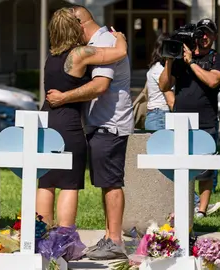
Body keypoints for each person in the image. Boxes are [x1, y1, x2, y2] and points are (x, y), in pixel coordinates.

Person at [46, 5, 133, 260]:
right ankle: (110, 238)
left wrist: (64, 97)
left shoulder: (104, 41)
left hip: (111, 122)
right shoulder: (96, 42)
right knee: (105, 182)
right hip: (99, 122)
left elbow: (100, 85)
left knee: (111, 182)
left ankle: (115, 241)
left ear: (80, 25)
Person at [159, 18, 220, 219]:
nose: (204, 37)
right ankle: (181, 205)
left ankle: (201, 210)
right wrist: (170, 60)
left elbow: (213, 81)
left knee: (206, 168)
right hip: (180, 121)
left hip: (206, 120)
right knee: (179, 167)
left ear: (214, 37)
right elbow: (164, 86)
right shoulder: (182, 58)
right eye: (201, 33)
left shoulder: (218, 59)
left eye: (208, 33)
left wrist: (192, 63)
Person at [145, 33, 175, 131]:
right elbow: (171, 101)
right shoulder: (159, 69)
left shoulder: (157, 67)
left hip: (158, 116)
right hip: (161, 117)